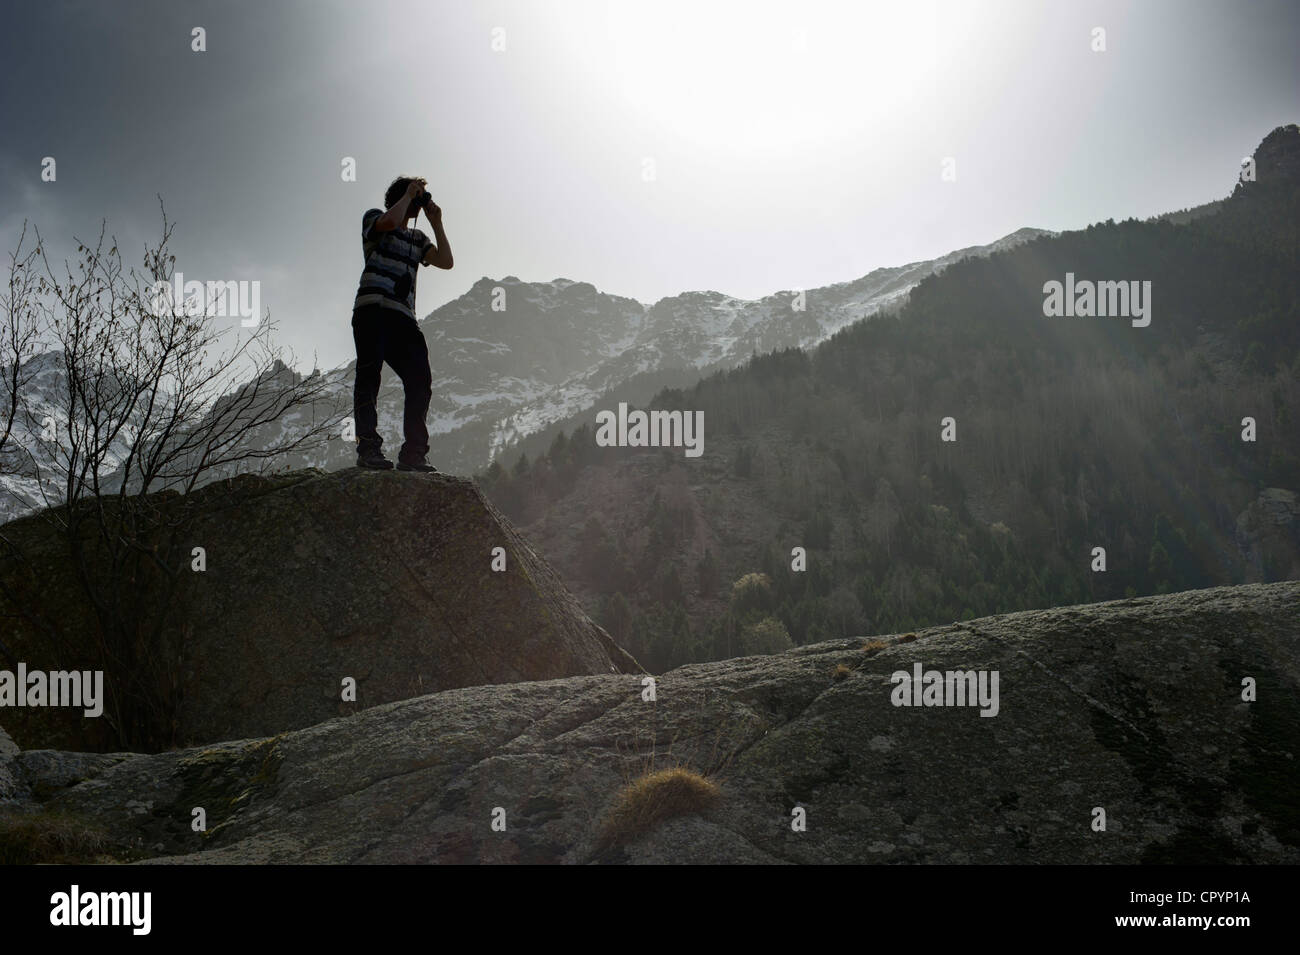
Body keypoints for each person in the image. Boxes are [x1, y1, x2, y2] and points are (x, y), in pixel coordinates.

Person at [351, 175, 454, 471]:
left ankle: (414, 454)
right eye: (415, 194)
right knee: (369, 376)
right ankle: (368, 448)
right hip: (372, 309)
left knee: (420, 380)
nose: (419, 200)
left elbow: (446, 261)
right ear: (401, 197)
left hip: (404, 318)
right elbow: (388, 222)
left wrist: (436, 221)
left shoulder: (418, 240)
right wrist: (408, 195)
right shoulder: (374, 218)